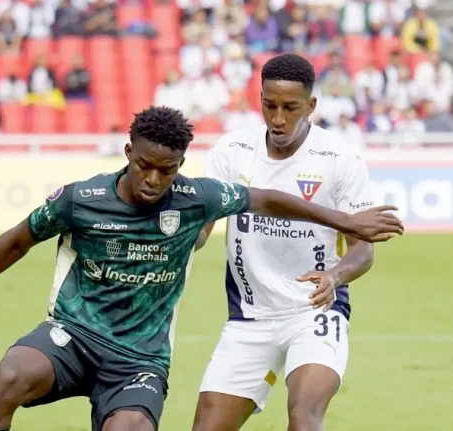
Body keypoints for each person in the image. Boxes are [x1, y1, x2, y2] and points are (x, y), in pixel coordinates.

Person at [0, 107, 403, 431]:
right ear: (128, 153)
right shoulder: (81, 199)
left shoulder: (198, 197)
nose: (154, 179)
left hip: (141, 359)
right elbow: (14, 242)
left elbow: (269, 199)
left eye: (167, 170)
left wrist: (344, 221)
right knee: (9, 376)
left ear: (181, 164)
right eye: (145, 166)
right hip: (73, 335)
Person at [192, 54, 383, 431]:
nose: (278, 119)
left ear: (311, 105)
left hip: (315, 312)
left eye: (290, 108)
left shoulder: (340, 159)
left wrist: (335, 276)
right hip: (249, 317)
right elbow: (200, 232)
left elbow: (363, 249)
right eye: (270, 105)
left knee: (303, 416)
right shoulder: (232, 152)